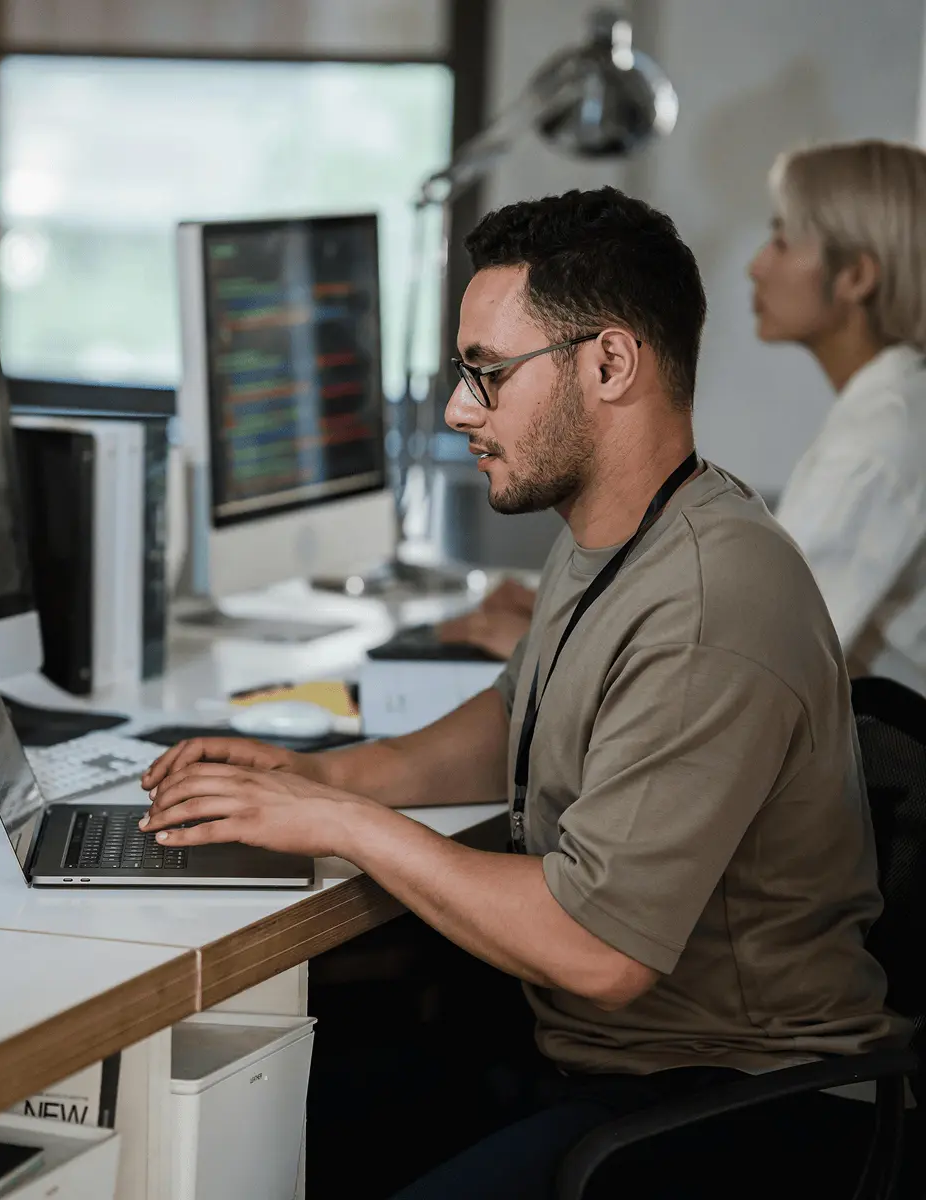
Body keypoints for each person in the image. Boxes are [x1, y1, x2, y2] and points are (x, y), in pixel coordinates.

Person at [140, 188, 901, 1197]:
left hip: (741, 1111)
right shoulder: (625, 530)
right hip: (604, 1061)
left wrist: (338, 821)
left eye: (486, 374)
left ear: (609, 363)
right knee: (253, 1134)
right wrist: (322, 774)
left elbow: (597, 948)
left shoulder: (714, 601)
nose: (459, 407)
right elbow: (517, 713)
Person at [749, 139, 926, 696]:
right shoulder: (893, 404)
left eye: (781, 240)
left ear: (855, 277)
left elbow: (756, 654)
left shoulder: (881, 439)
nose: (757, 266)